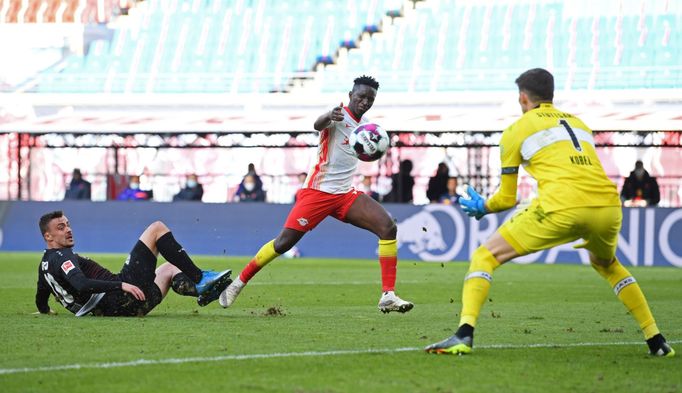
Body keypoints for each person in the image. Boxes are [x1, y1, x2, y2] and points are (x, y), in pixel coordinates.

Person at [425, 68, 674, 357]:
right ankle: (657, 341)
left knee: (485, 256)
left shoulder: (516, 131)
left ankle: (463, 334)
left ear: (522, 97)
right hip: (608, 206)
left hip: (562, 206)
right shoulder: (579, 124)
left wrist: (483, 207)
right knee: (607, 265)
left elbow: (507, 198)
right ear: (551, 95)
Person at [219, 75, 413, 313]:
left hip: (345, 195)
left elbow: (371, 149)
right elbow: (317, 124)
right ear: (351, 95)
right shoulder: (337, 115)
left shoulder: (367, 129)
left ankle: (388, 295)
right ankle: (239, 283)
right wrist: (329, 116)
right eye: (361, 97)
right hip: (317, 193)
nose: (364, 102)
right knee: (283, 244)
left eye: (370, 99)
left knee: (388, 227)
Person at [35, 211, 232, 317]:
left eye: (68, 224)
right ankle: (201, 279)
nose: (68, 230)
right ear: (48, 236)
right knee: (157, 228)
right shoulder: (63, 256)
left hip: (126, 307)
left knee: (169, 268)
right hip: (119, 298)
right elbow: (81, 284)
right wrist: (121, 285)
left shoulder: (45, 265)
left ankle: (203, 291)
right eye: (61, 227)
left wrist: (45, 311)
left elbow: (41, 297)